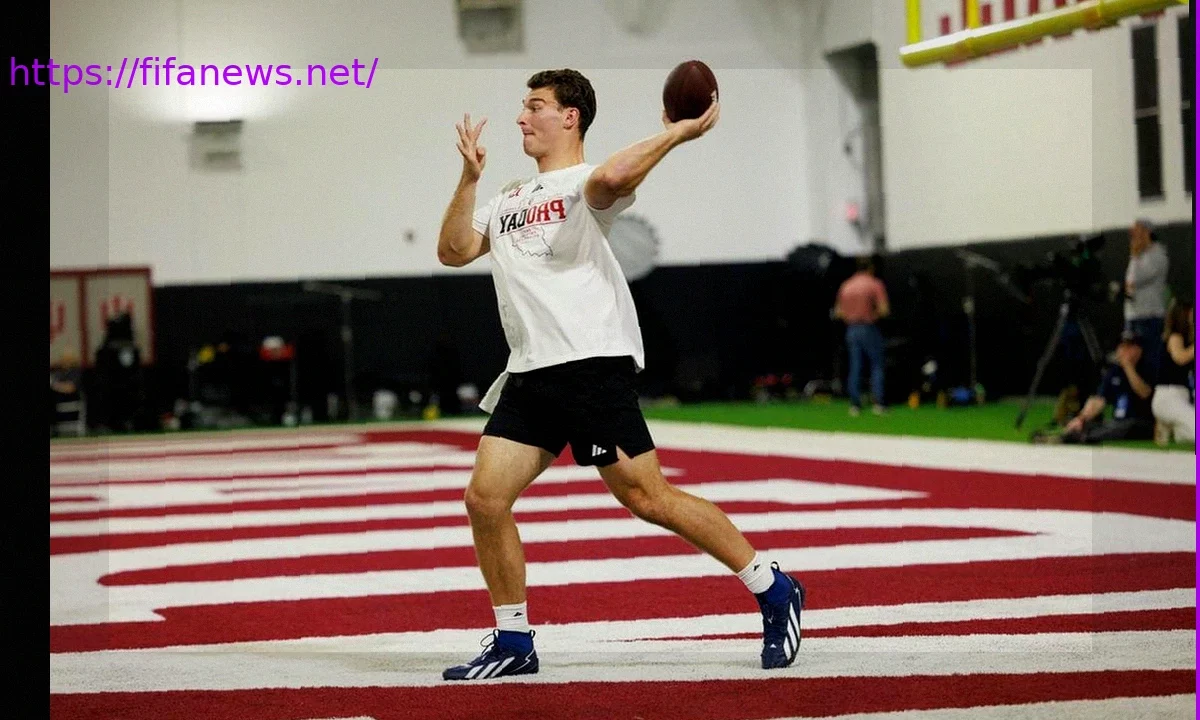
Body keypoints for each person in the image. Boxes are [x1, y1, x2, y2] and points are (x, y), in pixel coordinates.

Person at [435, 69, 805, 681]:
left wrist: (678, 133)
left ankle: (773, 585)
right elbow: (452, 252)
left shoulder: (586, 184)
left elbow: (612, 177)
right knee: (485, 499)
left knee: (646, 497)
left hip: (589, 364)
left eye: (535, 106)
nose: (521, 118)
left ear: (571, 116)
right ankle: (514, 640)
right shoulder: (506, 197)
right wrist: (470, 179)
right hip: (530, 371)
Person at [1045, 330, 1156, 444]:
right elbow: (1099, 399)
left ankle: (1080, 438)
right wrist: (1081, 418)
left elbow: (1144, 393)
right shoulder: (1114, 371)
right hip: (1118, 421)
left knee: (1125, 426)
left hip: (1140, 421)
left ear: (1139, 349)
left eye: (1129, 347)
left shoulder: (1147, 368)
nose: (1124, 351)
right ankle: (1066, 435)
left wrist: (1128, 366)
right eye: (1122, 346)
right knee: (1096, 425)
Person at [834, 256, 890, 416]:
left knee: (855, 366)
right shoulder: (874, 284)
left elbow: (838, 312)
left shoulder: (846, 285)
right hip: (868, 327)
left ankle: (855, 404)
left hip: (851, 329)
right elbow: (884, 310)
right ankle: (878, 402)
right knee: (877, 365)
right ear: (871, 268)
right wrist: (872, 315)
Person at [1124, 218, 1168, 370]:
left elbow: (1134, 280)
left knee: (1149, 361)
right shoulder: (1139, 255)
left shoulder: (1157, 255)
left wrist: (1134, 255)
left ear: (1147, 233)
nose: (1133, 236)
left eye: (1137, 231)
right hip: (1134, 316)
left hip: (1149, 317)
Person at [1151, 298, 1194, 444]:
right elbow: (1180, 357)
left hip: (1181, 396)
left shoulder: (1186, 340)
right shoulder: (1175, 336)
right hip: (1168, 396)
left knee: (1185, 436)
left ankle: (1173, 432)